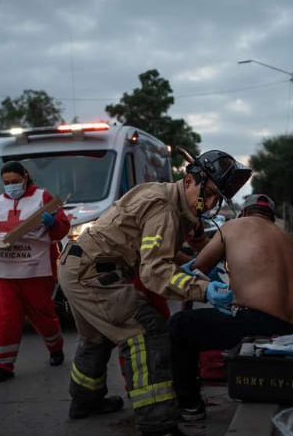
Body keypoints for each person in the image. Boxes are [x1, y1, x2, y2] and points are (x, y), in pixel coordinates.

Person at [58, 148, 251, 436]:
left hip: (79, 266)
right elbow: (154, 272)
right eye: (207, 193)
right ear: (189, 181)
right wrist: (204, 290)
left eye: (216, 199)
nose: (209, 205)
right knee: (146, 331)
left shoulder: (168, 198)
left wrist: (200, 267)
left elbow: (159, 254)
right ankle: (157, 423)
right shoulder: (165, 209)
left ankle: (85, 401)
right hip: (93, 274)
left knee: (97, 337)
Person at [169, 193, 293, 421]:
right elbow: (235, 264)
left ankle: (189, 405)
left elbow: (198, 269)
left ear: (244, 213)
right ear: (270, 216)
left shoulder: (232, 227)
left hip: (259, 321)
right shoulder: (283, 236)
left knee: (179, 326)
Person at [0, 160, 70, 383]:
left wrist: (52, 223)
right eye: (6, 182)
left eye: (15, 181)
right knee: (4, 317)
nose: (11, 185)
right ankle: (3, 366)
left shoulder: (43, 198)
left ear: (25, 177)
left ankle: (56, 348)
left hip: (35, 269)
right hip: (3, 271)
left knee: (42, 313)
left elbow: (62, 229)